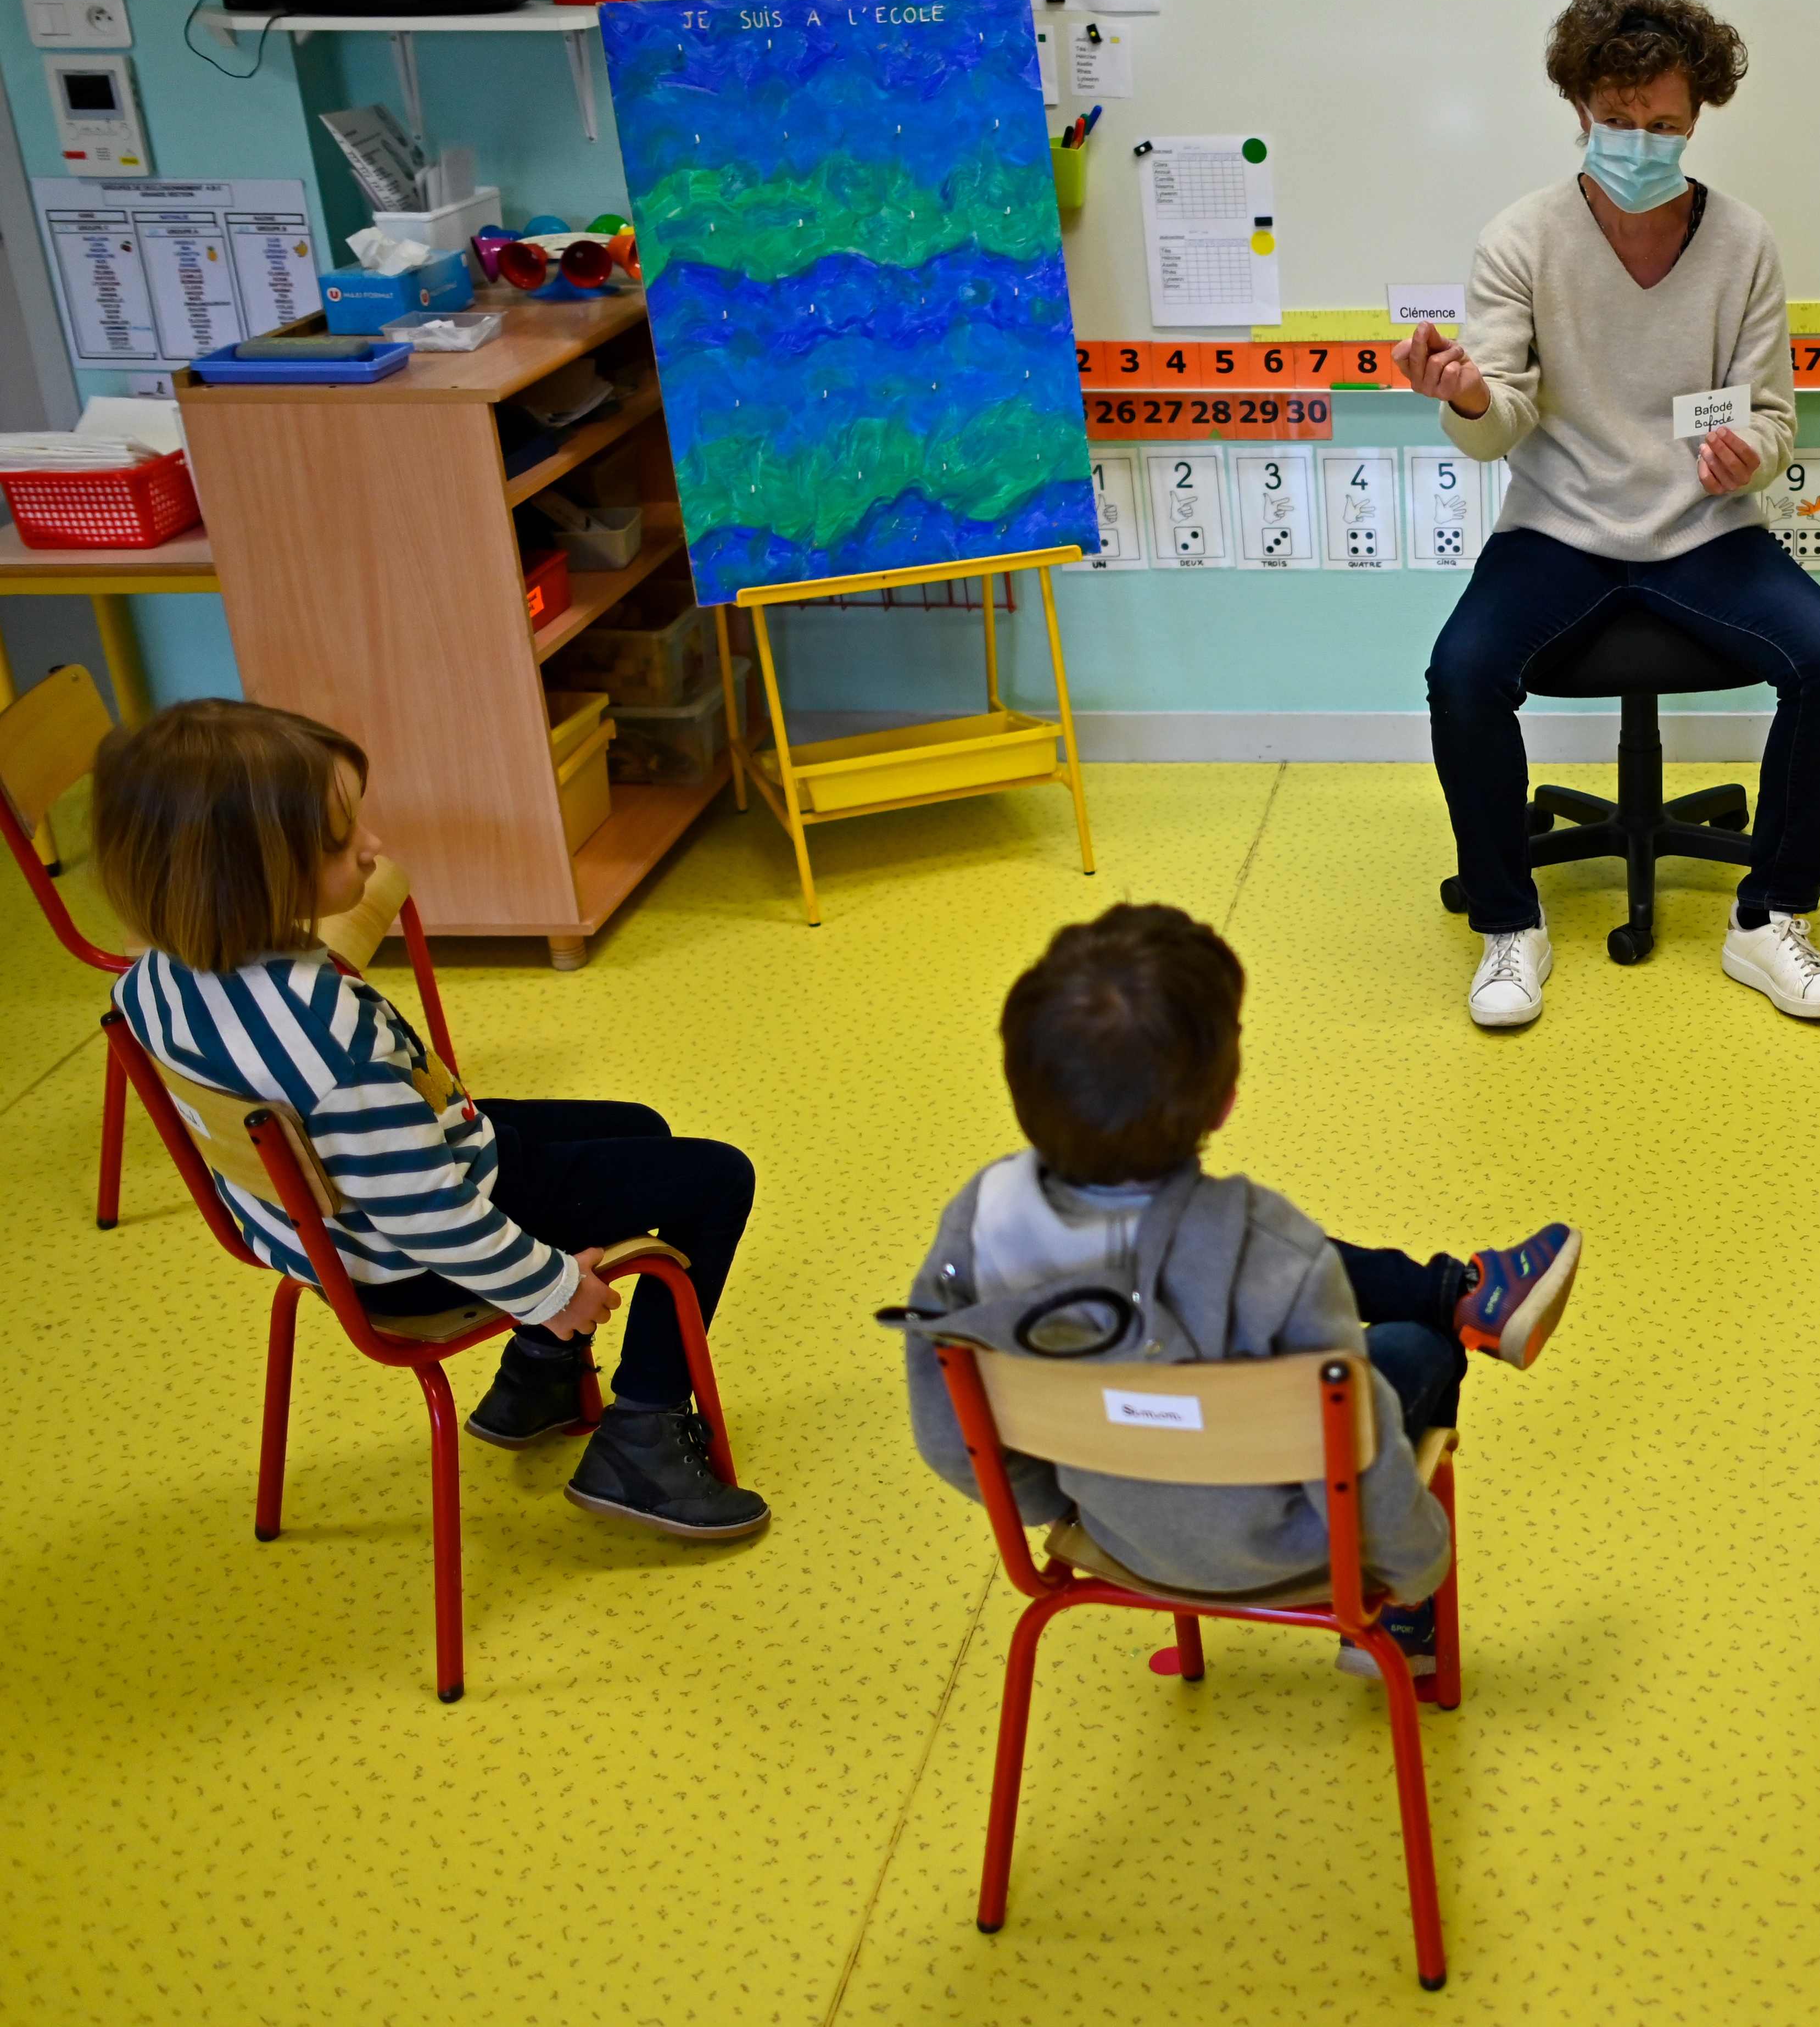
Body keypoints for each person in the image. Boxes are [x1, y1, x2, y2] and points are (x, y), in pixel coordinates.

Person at [93, 699, 766, 1538]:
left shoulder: (149, 981)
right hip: (408, 1253)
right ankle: (641, 1438)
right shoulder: (332, 1047)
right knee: (717, 1178)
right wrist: (551, 1290)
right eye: (340, 841)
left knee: (639, 1126)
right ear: (250, 873)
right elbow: (430, 1217)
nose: (371, 845)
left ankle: (540, 1379)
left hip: (323, 1230)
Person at [894, 904, 1582, 1678]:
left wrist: (1065, 1502)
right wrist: (1417, 1566)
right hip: (1300, 1551)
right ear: (1226, 1100)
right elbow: (1358, 1458)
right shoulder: (1276, 1250)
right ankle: (1398, 1633)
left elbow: (950, 1438)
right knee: (1416, 1351)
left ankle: (1459, 1295)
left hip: (1119, 1535)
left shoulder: (976, 1228)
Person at [1401, 0, 1820, 1030]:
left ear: (1698, 117)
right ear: (1580, 111)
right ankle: (1509, 926)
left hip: (1705, 532)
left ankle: (1770, 920)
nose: (1640, 143)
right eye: (1618, 122)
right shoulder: (1520, 240)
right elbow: (1496, 421)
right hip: (1557, 530)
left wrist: (1745, 456)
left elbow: (1774, 423)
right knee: (1460, 675)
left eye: (1664, 124)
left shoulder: (1745, 243)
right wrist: (1471, 396)